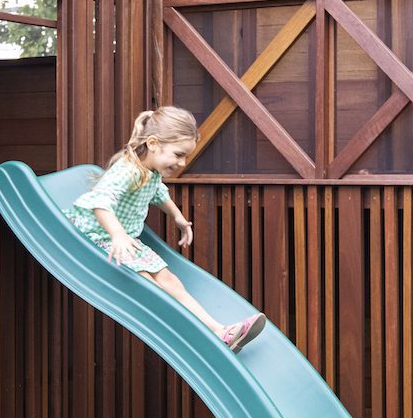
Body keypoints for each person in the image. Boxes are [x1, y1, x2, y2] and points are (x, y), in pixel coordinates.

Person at [66, 106, 267, 352]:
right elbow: (101, 202)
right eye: (178, 154)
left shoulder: (150, 172)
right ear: (153, 143)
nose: (182, 162)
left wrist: (179, 218)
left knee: (168, 279)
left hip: (125, 239)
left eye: (185, 157)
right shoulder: (128, 170)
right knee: (147, 283)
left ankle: (219, 331)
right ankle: (198, 334)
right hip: (100, 237)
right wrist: (117, 235)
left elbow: (159, 194)